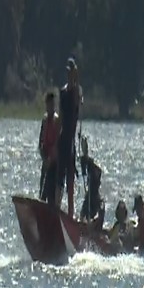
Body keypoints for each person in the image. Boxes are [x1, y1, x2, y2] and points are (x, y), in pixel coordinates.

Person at [59, 57, 84, 218]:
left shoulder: (76, 91)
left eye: (72, 72)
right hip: (63, 136)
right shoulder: (63, 92)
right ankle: (55, 206)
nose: (70, 75)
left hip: (71, 139)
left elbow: (78, 103)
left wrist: (75, 82)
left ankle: (70, 212)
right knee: (59, 175)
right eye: (68, 72)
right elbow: (62, 115)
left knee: (70, 178)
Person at [38, 92, 61, 207]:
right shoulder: (45, 120)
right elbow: (41, 142)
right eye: (48, 104)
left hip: (54, 162)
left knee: (51, 193)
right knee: (42, 193)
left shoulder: (57, 121)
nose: (50, 107)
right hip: (46, 160)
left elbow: (57, 143)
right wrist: (44, 157)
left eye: (52, 104)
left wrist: (50, 159)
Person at [79, 135, 105, 226]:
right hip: (88, 224)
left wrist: (92, 223)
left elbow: (99, 217)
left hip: (94, 230)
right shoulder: (88, 199)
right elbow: (82, 216)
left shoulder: (99, 202)